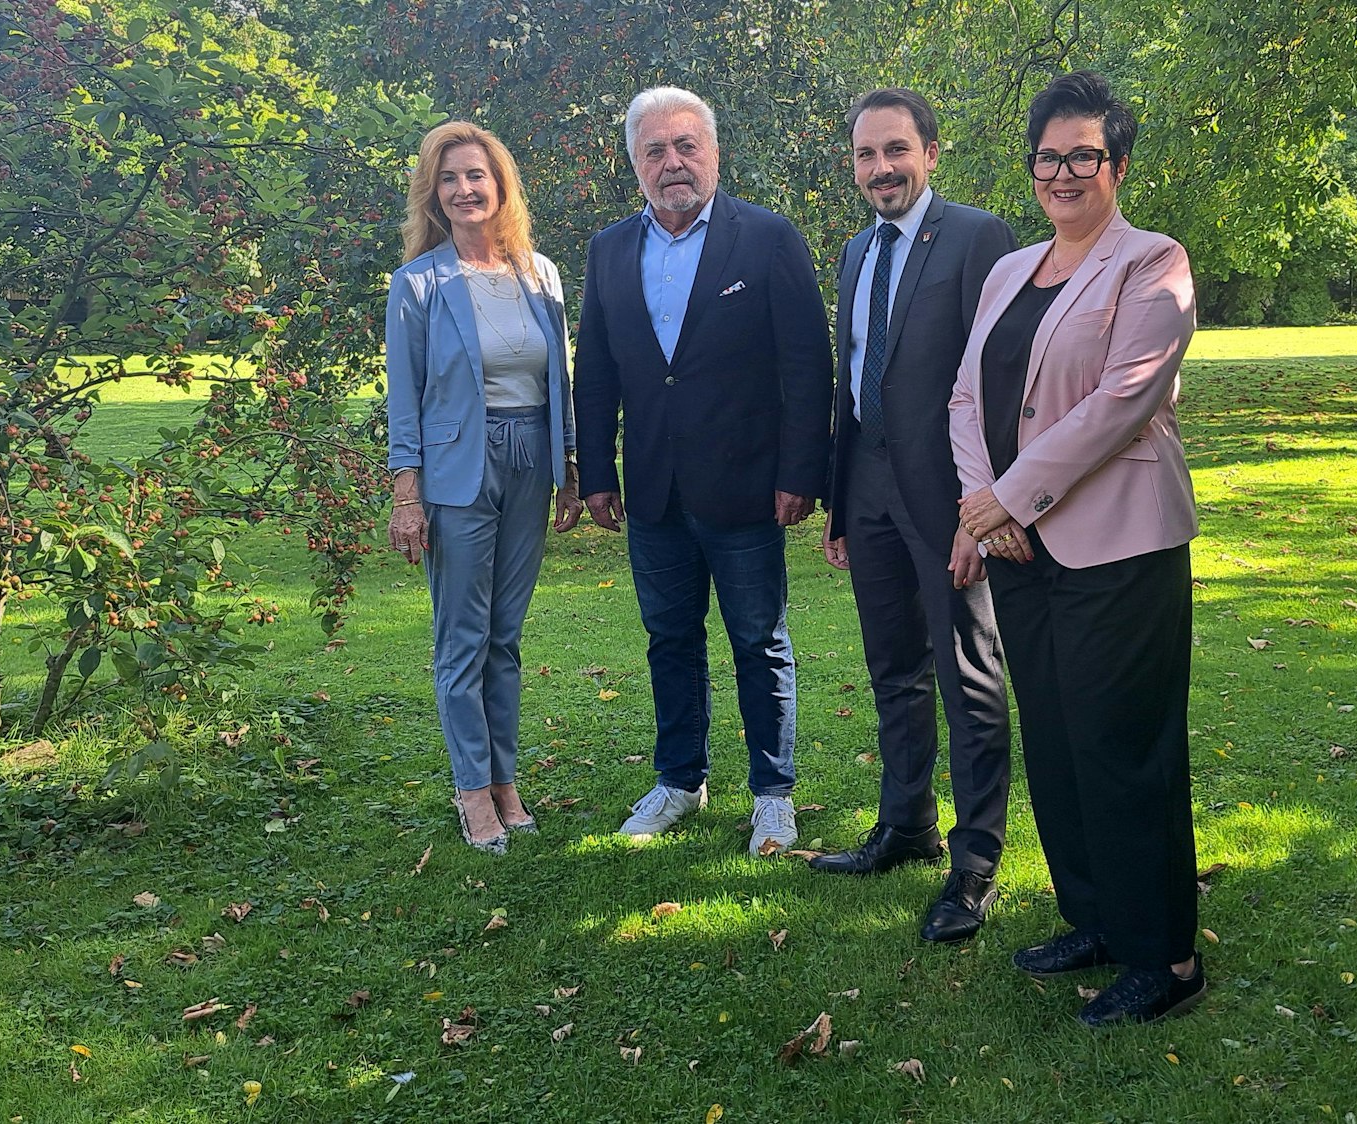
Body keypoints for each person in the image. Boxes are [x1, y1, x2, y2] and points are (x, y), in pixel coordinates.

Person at [949, 72, 1206, 1025]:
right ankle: (1095, 918)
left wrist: (1009, 496)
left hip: (1118, 549)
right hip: (1020, 552)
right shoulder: (1010, 271)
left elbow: (1122, 402)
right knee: (1055, 741)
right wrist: (986, 509)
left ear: (1118, 164)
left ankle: (1166, 959)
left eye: (1083, 155)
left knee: (1121, 746)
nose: (1063, 172)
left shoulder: (1154, 262)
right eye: (1048, 156)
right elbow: (968, 396)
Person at [570, 86, 832, 856]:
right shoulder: (609, 250)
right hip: (653, 489)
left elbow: (805, 366)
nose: (673, 162)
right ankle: (680, 780)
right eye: (655, 150)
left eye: (687, 145)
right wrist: (595, 474)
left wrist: (801, 470)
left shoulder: (768, 239)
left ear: (714, 154)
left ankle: (773, 794)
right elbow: (597, 372)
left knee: (760, 639)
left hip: (749, 485)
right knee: (668, 639)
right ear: (635, 164)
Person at [808, 88, 1018, 944]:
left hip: (949, 495)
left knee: (968, 674)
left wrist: (982, 511)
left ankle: (974, 865)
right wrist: (840, 503)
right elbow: (853, 378)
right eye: (866, 155)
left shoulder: (978, 237)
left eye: (896, 150)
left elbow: (999, 382)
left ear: (932, 153)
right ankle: (906, 826)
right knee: (893, 663)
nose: (881, 168)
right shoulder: (857, 250)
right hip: (868, 488)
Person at [385, 121, 582, 853]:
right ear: (434, 195)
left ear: (501, 185)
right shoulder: (419, 283)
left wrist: (569, 469)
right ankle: (473, 791)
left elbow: (556, 380)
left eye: (476, 175)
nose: (465, 189)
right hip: (456, 470)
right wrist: (407, 494)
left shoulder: (541, 274)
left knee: (506, 636)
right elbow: (402, 397)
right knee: (461, 640)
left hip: (531, 458)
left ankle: (505, 781)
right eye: (449, 179)